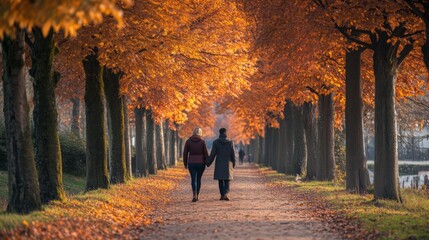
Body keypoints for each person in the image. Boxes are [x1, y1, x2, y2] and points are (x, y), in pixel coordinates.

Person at [207, 128, 236, 201]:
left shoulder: (216, 142)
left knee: (220, 180)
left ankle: (222, 195)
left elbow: (213, 154)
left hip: (219, 162)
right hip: (228, 163)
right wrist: (234, 163)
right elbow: (233, 154)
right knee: (227, 179)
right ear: (226, 133)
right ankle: (225, 193)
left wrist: (208, 163)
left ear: (219, 133)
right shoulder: (230, 142)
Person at [183, 127, 209, 202]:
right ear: (200, 133)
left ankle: (194, 194)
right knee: (198, 179)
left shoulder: (188, 141)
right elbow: (206, 153)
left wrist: (185, 163)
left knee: (193, 178)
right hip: (201, 163)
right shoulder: (202, 142)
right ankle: (197, 194)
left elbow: (185, 153)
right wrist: (207, 162)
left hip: (191, 162)